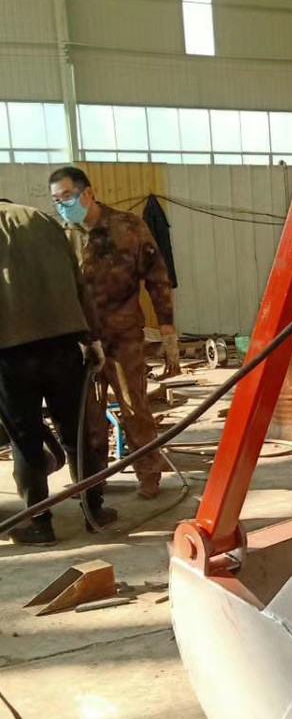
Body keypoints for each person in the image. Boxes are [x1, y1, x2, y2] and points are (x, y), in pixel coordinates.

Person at [48, 167, 179, 499]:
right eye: (56, 200)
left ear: (88, 194)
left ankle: (149, 474)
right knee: (87, 415)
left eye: (66, 197)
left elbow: (157, 275)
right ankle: (93, 482)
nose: (62, 205)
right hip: (81, 340)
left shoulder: (128, 227)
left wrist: (166, 325)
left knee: (135, 407)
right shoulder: (60, 236)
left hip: (123, 336)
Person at [0, 199, 117, 544]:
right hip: (63, 345)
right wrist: (92, 338)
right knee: (75, 432)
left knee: (25, 439)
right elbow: (78, 280)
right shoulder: (40, 219)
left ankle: (40, 523)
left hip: (9, 351)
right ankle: (94, 510)